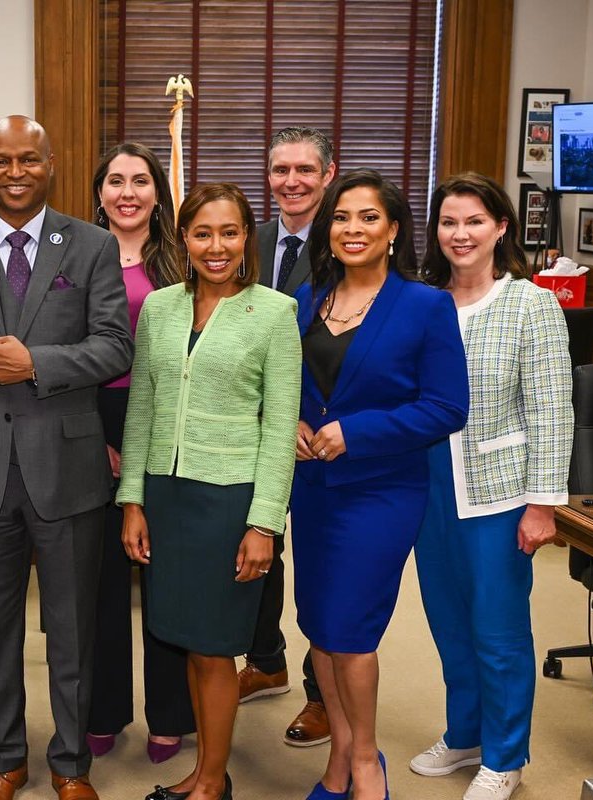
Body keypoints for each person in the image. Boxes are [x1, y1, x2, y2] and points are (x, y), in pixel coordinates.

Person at [0, 115, 132, 800]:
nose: (14, 172)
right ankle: (6, 758)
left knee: (73, 631)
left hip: (67, 472)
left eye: (28, 159)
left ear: (51, 163)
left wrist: (35, 363)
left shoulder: (92, 244)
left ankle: (71, 763)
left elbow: (114, 345)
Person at [118, 182, 301, 800]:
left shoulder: (275, 313)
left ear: (247, 236)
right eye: (202, 233)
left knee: (216, 649)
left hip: (229, 502)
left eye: (229, 232)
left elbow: (279, 429)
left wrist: (264, 523)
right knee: (191, 645)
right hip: (167, 498)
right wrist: (133, 500)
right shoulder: (161, 308)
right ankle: (203, 772)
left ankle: (212, 782)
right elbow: (141, 406)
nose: (216, 246)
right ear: (184, 239)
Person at [292, 169, 469, 800]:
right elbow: (286, 385)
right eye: (342, 217)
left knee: (352, 631)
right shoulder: (308, 299)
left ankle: (366, 759)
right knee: (316, 625)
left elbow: (447, 407)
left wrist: (356, 432)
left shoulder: (425, 305)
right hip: (311, 489)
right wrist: (292, 424)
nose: (352, 229)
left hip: (380, 492)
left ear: (393, 230)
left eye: (368, 217)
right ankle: (339, 752)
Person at [410, 173, 572, 800]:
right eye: (449, 222)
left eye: (474, 221)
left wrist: (542, 503)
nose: (460, 234)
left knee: (498, 630)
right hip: (429, 489)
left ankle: (506, 755)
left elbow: (553, 410)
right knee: (448, 623)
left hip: (501, 494)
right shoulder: (423, 301)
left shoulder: (530, 305)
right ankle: (466, 735)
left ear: (501, 227)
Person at [84, 142, 193, 764]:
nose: (128, 192)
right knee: (97, 579)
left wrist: (147, 444)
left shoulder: (181, 259)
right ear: (99, 191)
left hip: (166, 424)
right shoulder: (75, 252)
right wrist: (98, 439)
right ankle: (103, 709)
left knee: (165, 577)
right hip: (88, 420)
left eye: (141, 181)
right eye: (116, 181)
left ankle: (170, 712)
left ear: (158, 192)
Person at [251, 126, 337, 748]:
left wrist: (305, 417)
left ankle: (320, 694)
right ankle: (266, 658)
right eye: (281, 170)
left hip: (316, 434)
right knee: (255, 548)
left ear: (328, 175)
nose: (292, 182)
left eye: (305, 170)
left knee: (319, 563)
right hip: (246, 429)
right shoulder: (248, 241)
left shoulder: (349, 241)